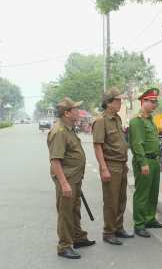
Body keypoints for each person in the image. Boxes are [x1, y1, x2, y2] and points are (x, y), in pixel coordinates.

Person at [47, 97, 95, 259]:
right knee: (66, 212)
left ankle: (78, 237)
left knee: (74, 210)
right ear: (67, 113)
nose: (78, 112)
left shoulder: (69, 128)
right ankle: (64, 246)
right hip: (66, 179)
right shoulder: (59, 131)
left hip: (74, 177)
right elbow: (55, 160)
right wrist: (64, 183)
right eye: (75, 109)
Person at [92, 87, 134, 246]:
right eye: (117, 101)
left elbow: (119, 142)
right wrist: (103, 169)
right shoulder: (101, 121)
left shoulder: (116, 118)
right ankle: (108, 232)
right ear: (108, 103)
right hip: (110, 165)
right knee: (111, 200)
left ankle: (118, 228)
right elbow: (97, 147)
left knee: (121, 198)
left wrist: (124, 163)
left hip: (120, 165)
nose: (120, 103)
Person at [129, 88, 162, 238]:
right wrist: (143, 163)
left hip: (153, 160)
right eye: (152, 102)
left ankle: (149, 219)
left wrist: (156, 159)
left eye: (156, 102)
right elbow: (137, 144)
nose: (154, 105)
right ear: (143, 102)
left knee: (153, 193)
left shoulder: (149, 119)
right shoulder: (137, 120)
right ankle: (139, 224)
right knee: (142, 194)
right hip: (144, 161)